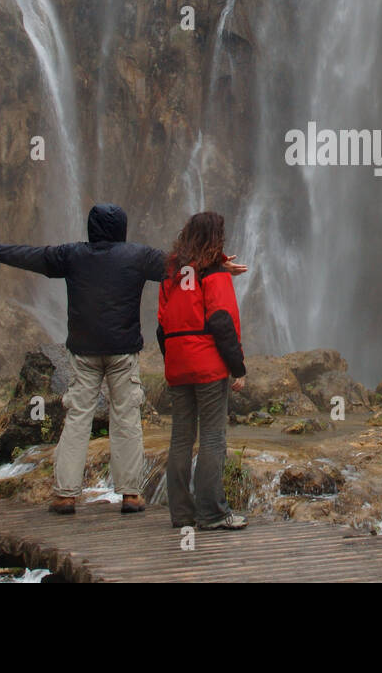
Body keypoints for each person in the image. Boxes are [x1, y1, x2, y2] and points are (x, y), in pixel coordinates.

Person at [0, 203, 245, 517]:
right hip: (122, 351)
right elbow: (181, 265)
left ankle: (65, 495)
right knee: (126, 418)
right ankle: (131, 494)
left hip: (84, 352)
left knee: (77, 418)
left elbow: (36, 257)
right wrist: (218, 265)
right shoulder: (138, 256)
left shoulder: (71, 254)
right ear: (122, 229)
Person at [157, 211, 248, 531]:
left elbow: (161, 327)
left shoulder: (172, 275)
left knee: (181, 439)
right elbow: (222, 321)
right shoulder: (213, 274)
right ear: (216, 238)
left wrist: (175, 358)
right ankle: (212, 513)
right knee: (212, 438)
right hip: (208, 365)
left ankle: (181, 514)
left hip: (178, 365)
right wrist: (238, 368)